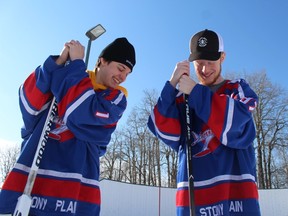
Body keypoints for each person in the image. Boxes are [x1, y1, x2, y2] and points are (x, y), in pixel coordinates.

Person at [0, 37, 136, 215]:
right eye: (121, 68)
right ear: (102, 61)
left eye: (127, 74)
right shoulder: (65, 77)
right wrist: (58, 63)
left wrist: (76, 64)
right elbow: (29, 107)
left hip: (74, 193)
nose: (123, 77)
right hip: (29, 186)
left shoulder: (116, 99)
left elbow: (80, 112)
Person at [147, 29, 261, 215]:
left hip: (235, 198)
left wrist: (196, 93)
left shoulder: (237, 88)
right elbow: (162, 127)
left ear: (222, 58)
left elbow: (239, 125)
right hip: (195, 199)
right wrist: (172, 83)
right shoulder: (183, 97)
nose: (205, 70)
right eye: (199, 63)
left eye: (210, 62)